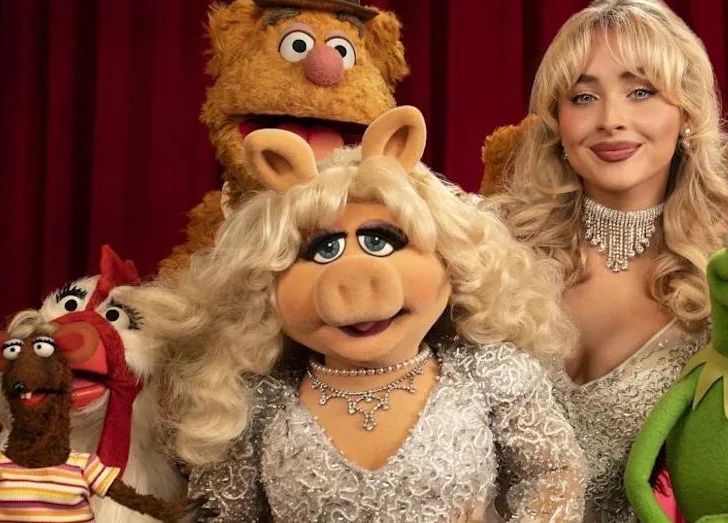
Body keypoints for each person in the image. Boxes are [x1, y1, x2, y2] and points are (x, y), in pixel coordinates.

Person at [486, 0, 728, 521]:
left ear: (686, 114)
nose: (611, 119)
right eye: (583, 97)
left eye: (641, 91)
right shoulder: (489, 249)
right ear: (556, 122)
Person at [158, 106, 585, 522]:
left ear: (452, 256)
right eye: (322, 249)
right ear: (266, 282)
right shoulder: (253, 404)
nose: (354, 278)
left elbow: (552, 474)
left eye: (380, 241)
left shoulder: (491, 374)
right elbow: (222, 514)